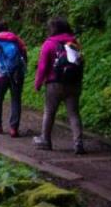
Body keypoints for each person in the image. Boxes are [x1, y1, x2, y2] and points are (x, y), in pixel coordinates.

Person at [33, 17, 85, 154]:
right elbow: (80, 62)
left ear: (53, 29)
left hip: (54, 83)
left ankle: (45, 140)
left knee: (49, 112)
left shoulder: (49, 44)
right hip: (73, 83)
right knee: (74, 113)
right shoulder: (74, 42)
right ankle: (78, 142)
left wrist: (38, 83)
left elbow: (43, 67)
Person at [0, 21, 28, 137]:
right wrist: (21, 69)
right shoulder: (16, 40)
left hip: (2, 75)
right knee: (16, 99)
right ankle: (14, 129)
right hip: (17, 74)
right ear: (7, 29)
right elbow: (24, 53)